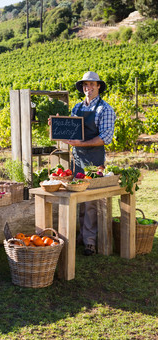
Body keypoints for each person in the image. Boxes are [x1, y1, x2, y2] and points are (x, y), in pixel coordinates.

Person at [61, 71, 116, 256]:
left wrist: (82, 143)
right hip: (77, 157)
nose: (88, 87)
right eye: (85, 84)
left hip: (94, 158)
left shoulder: (105, 109)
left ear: (98, 86)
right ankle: (82, 235)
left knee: (91, 200)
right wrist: (56, 126)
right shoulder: (76, 108)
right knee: (79, 198)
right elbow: (70, 131)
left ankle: (90, 241)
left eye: (92, 84)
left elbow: (105, 138)